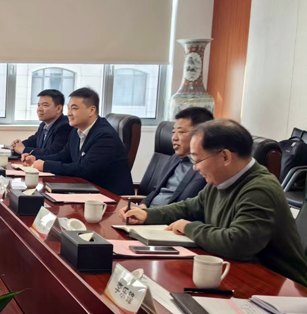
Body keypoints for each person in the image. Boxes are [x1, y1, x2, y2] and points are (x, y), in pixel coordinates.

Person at [122, 119, 307, 286]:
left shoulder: (260, 189)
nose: (195, 167)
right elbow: (189, 207)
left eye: (197, 159)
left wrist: (190, 228)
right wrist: (148, 214)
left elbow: (238, 243)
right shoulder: (221, 181)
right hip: (239, 275)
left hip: (281, 288)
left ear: (225, 157)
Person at [25, 87, 134, 195]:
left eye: (74, 108)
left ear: (91, 110)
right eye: (68, 108)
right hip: (86, 190)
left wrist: (46, 165)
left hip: (110, 197)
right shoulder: (76, 131)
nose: (69, 113)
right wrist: (36, 159)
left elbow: (85, 169)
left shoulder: (105, 136)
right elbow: (63, 156)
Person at [141, 106, 214, 208]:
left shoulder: (207, 168)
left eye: (181, 132)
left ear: (200, 134)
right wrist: (143, 205)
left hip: (169, 216)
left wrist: (150, 214)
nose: (174, 138)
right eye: (173, 132)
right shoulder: (175, 158)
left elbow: (191, 208)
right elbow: (156, 190)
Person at [10, 89, 71, 158]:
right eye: (39, 105)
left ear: (59, 108)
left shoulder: (65, 126)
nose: (39, 109)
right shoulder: (43, 125)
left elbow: (52, 153)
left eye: (45, 105)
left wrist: (23, 150)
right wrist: (16, 145)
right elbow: (33, 141)